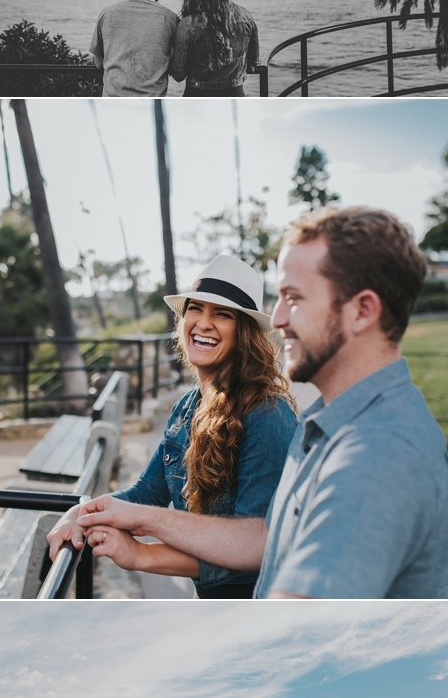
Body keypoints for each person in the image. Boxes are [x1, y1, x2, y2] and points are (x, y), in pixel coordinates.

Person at [75, 209, 448, 599]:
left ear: (362, 311)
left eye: (293, 298)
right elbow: (264, 538)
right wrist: (103, 519)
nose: (276, 319)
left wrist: (143, 544)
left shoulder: (375, 452)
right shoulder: (330, 425)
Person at [46, 254, 297, 599]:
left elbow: (256, 552)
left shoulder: (267, 414)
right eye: (196, 309)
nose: (204, 323)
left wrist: (142, 555)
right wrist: (82, 511)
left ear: (245, 333)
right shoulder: (187, 407)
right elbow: (145, 494)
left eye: (222, 314)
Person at [90, 0, 179, 96]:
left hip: (113, 104)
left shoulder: (107, 14)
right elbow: (177, 68)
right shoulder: (170, 19)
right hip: (151, 105)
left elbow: (98, 62)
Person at [170, 0, 259, 96]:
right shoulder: (245, 16)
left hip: (197, 95)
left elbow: (178, 74)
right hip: (235, 94)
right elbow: (253, 64)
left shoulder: (188, 24)